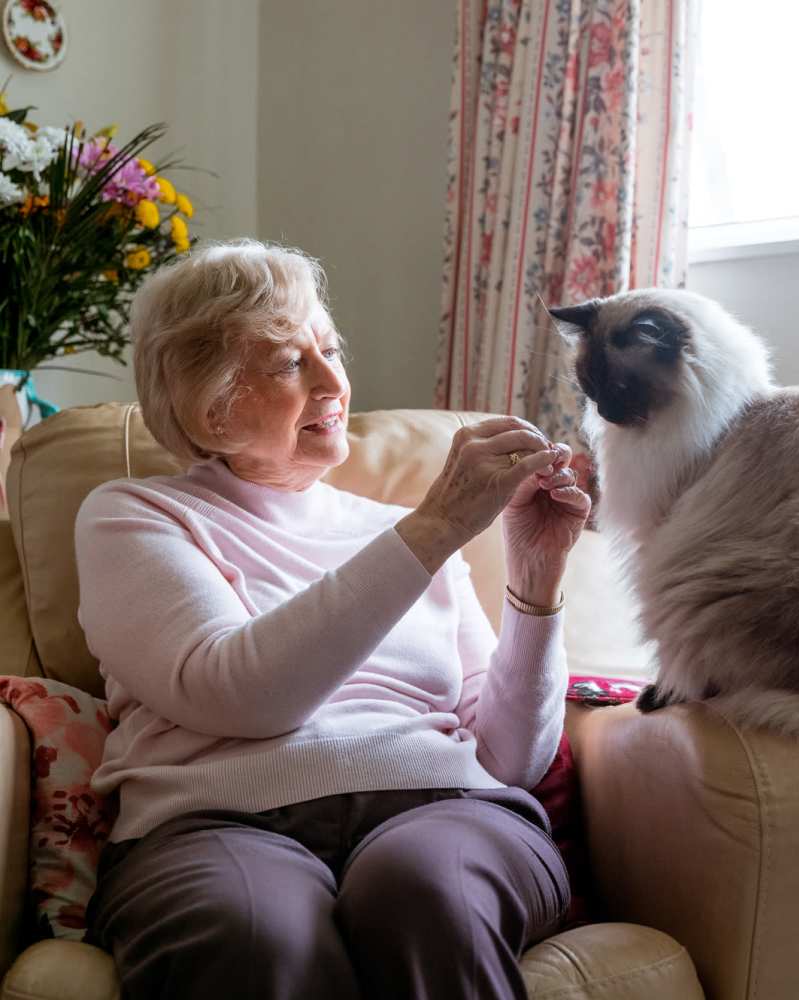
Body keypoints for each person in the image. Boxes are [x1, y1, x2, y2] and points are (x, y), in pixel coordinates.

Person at [76, 240, 592, 999]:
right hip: (215, 822)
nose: (334, 382)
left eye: (331, 349)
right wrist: (434, 527)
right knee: (251, 931)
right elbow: (238, 693)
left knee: (425, 892)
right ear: (208, 405)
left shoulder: (411, 536)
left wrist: (536, 580)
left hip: (445, 808)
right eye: (291, 363)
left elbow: (511, 758)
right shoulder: (135, 516)